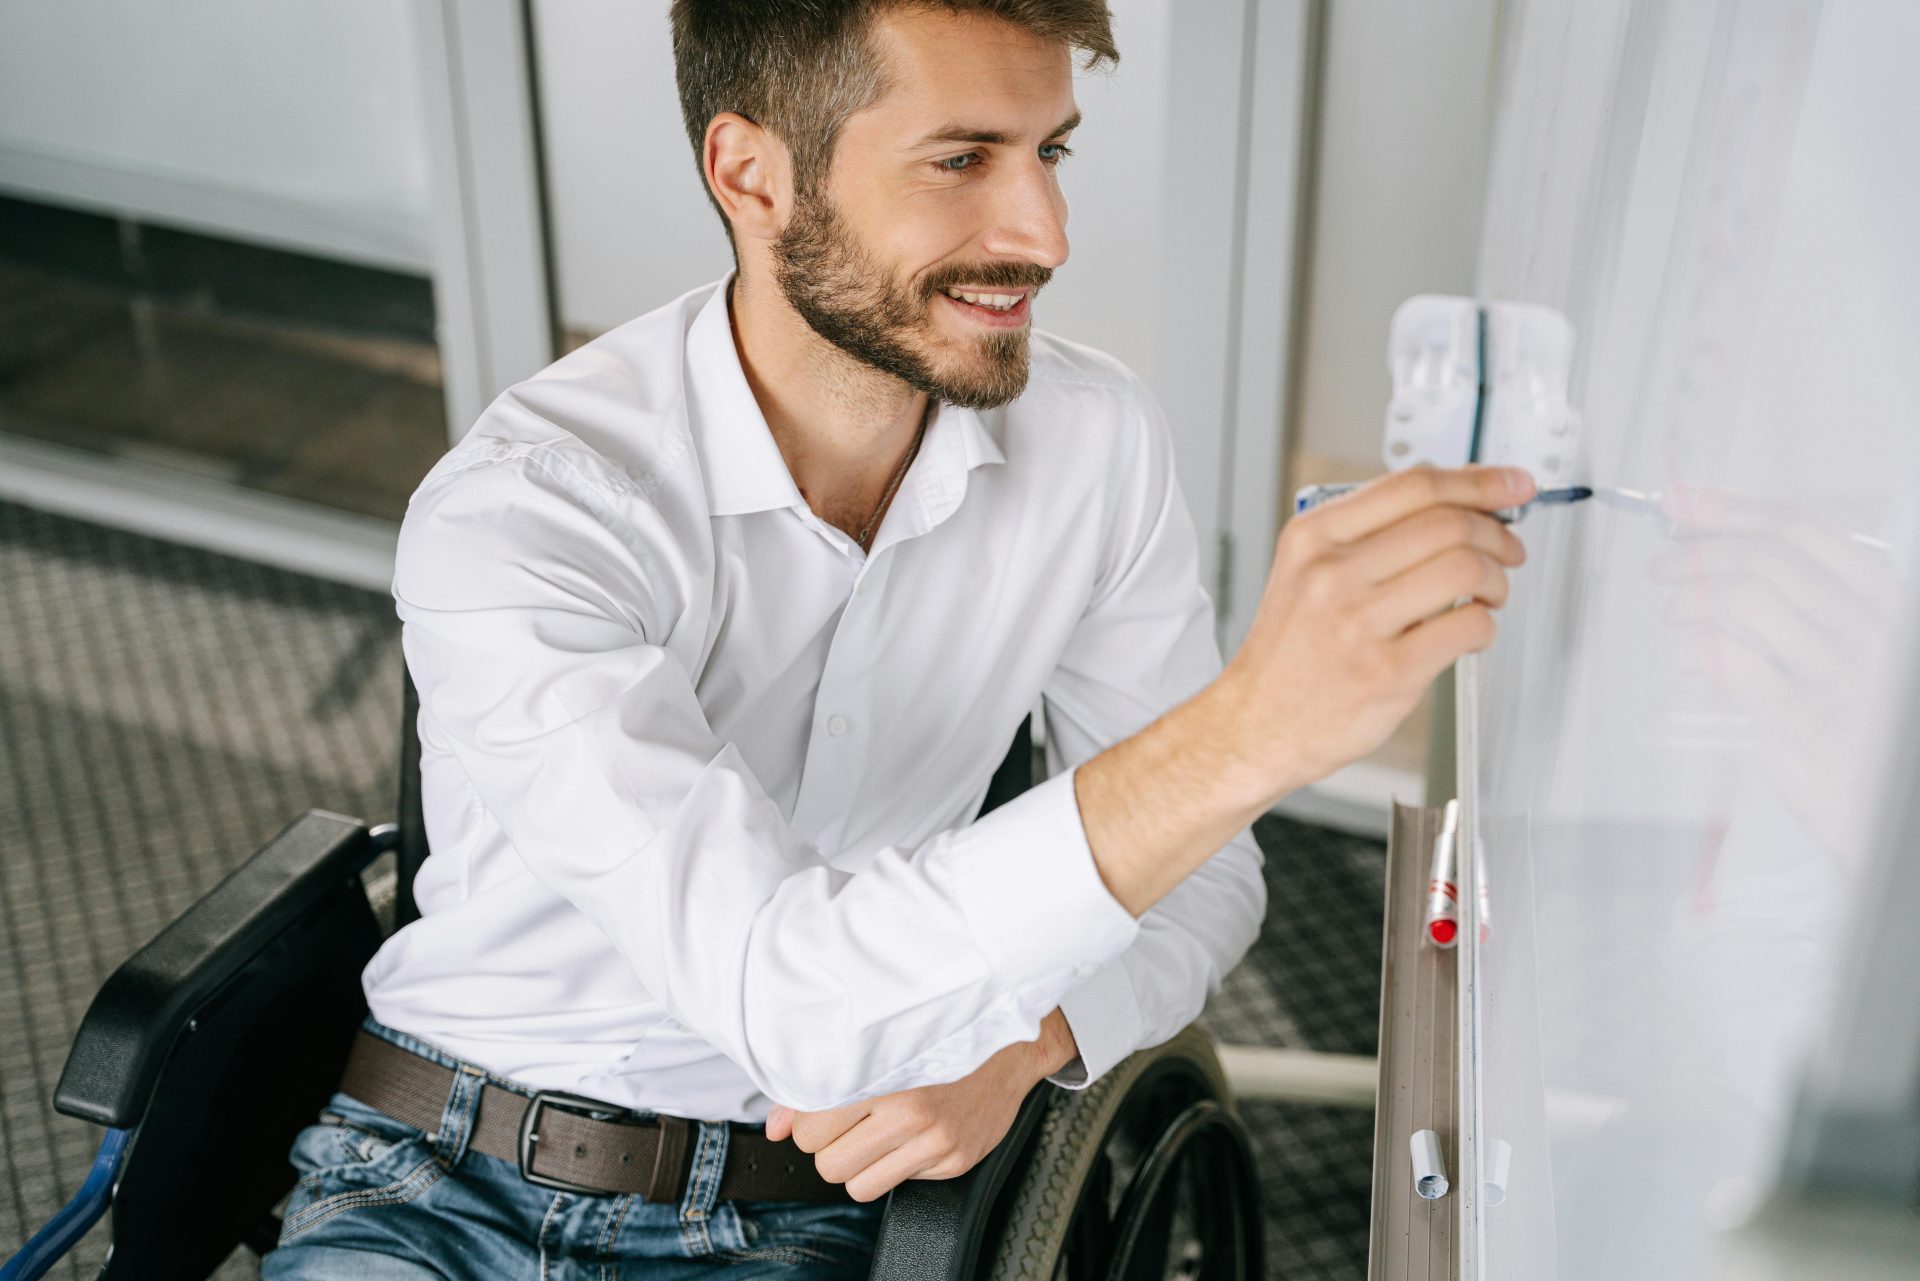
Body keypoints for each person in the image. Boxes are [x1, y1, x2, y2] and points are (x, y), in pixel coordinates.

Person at [263, 1, 1530, 1276]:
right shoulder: (531, 510)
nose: (1045, 233)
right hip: (442, 1173)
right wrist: (1251, 728)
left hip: (809, 1202)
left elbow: (1208, 877)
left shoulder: (1092, 445)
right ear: (751, 175)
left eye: (1053, 153)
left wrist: (1033, 1037)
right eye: (962, 159)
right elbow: (785, 994)